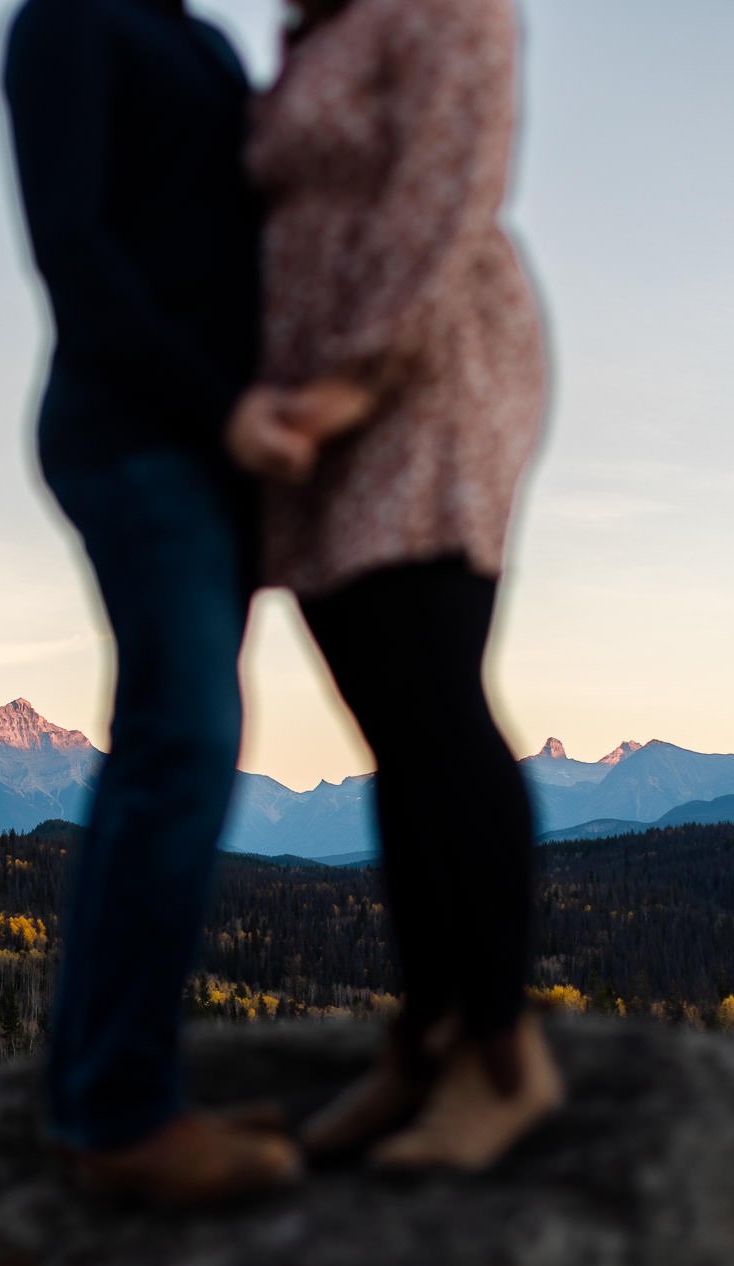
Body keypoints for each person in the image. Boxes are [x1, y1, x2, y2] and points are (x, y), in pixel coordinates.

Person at [230, 0, 563, 1170]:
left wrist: (353, 381)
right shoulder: (322, 29)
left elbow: (445, 185)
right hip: (323, 394)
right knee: (388, 715)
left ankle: (497, 1054)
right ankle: (421, 1037)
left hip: (416, 380)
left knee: (429, 696)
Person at [0, 0, 309, 1206]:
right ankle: (121, 1112)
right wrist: (218, 404)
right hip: (137, 431)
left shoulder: (197, 40)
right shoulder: (70, 21)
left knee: (164, 749)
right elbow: (71, 246)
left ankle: (102, 1093)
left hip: (202, 447)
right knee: (183, 741)